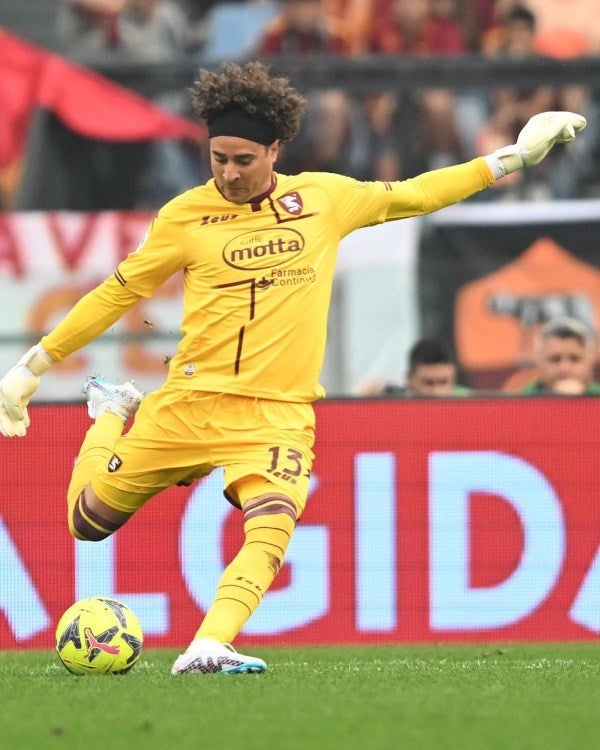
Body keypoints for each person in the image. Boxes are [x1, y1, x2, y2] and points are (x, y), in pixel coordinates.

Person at [0, 61, 586, 674]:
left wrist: (512, 158)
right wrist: (32, 366)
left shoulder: (324, 200)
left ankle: (206, 647)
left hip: (277, 412)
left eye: (243, 160)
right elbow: (116, 293)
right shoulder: (184, 217)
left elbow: (415, 194)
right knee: (86, 523)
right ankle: (111, 413)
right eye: (218, 157)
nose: (228, 172)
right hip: (192, 405)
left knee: (274, 522)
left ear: (274, 149)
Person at [518, 316, 600, 395]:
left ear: (590, 361)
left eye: (575, 359)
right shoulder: (520, 402)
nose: (564, 368)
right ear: (539, 361)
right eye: (555, 359)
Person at [380, 337, 471, 397]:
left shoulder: (469, 401)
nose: (436, 392)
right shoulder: (391, 405)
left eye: (443, 382)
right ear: (409, 379)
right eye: (428, 383)